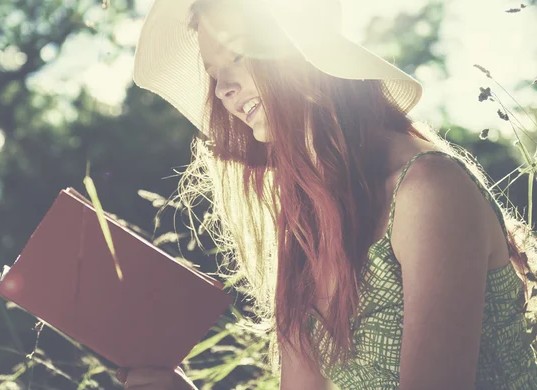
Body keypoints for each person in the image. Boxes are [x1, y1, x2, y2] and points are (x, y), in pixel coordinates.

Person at [119, 0, 537, 388]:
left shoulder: (428, 190)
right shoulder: (307, 215)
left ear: (302, 52)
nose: (223, 89)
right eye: (214, 75)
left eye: (238, 55)